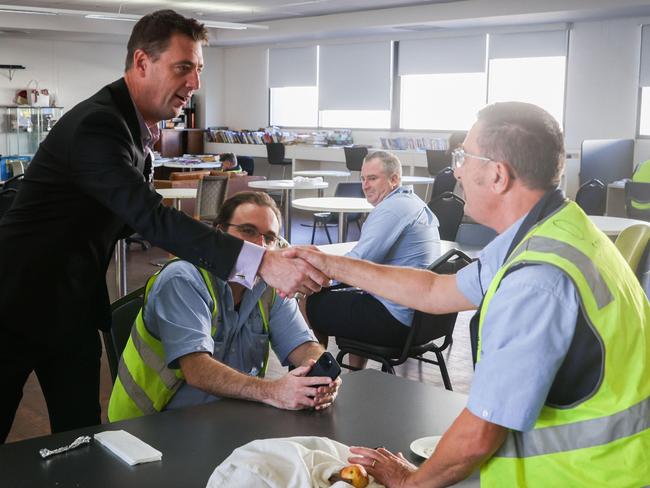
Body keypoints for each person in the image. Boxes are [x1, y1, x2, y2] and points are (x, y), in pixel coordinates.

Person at [0, 10, 327, 443]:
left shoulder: (133, 130)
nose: (194, 83)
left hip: (70, 302)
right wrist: (259, 261)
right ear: (141, 63)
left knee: (78, 435)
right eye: (183, 67)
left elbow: (115, 219)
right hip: (13, 303)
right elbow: (151, 217)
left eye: (199, 69)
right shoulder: (98, 125)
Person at [287, 102, 650, 486]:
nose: (456, 169)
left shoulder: (537, 280)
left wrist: (411, 482)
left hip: (585, 477)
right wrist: (330, 265)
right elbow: (434, 289)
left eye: (464, 156)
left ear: (497, 175)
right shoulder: (556, 231)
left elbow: (479, 435)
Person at [109, 192, 340, 421]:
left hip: (227, 420)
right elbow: (197, 370)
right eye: (247, 231)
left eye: (269, 238)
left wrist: (319, 373)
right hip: (149, 428)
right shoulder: (183, 279)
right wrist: (275, 391)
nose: (260, 245)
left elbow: (301, 344)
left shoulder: (268, 285)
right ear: (218, 233)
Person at [303, 151, 440, 368]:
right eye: (363, 179)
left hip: (396, 322)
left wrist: (315, 277)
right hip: (422, 323)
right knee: (354, 297)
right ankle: (357, 376)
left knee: (309, 300)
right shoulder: (412, 203)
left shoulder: (392, 209)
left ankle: (313, 374)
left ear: (394, 179)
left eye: (373, 178)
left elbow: (356, 264)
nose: (365, 185)